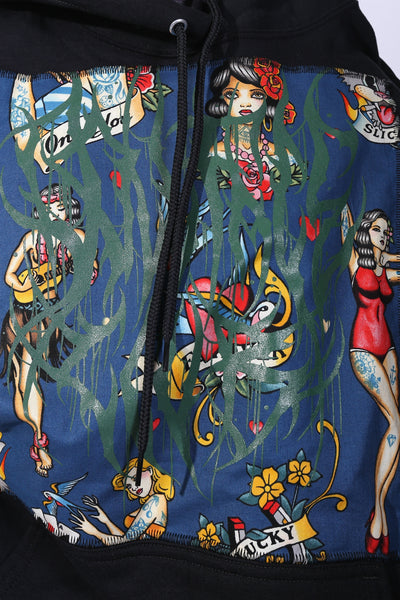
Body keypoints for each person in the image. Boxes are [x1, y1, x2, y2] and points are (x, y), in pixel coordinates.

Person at [0, 183, 98, 477]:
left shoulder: (77, 237)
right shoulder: (32, 238)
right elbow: (9, 275)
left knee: (28, 378)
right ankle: (35, 438)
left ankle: (39, 441)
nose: (54, 214)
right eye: (49, 208)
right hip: (20, 313)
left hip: (46, 315)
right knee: (22, 382)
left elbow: (89, 266)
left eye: (60, 208)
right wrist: (21, 284)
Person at [341, 205, 400, 554]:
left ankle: (379, 515)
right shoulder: (356, 263)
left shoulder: (383, 269)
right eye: (376, 229)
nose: (381, 234)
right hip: (363, 350)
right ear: (366, 232)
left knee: (397, 426)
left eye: (385, 230)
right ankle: (379, 514)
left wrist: (388, 258)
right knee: (396, 423)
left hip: (388, 348)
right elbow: (346, 224)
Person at [70, 458, 175, 544]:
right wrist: (106, 521)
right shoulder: (152, 502)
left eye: (135, 478)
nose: (133, 488)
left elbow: (126, 542)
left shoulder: (156, 501)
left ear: (150, 471)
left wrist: (95, 532)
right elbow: (127, 545)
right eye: (128, 486)